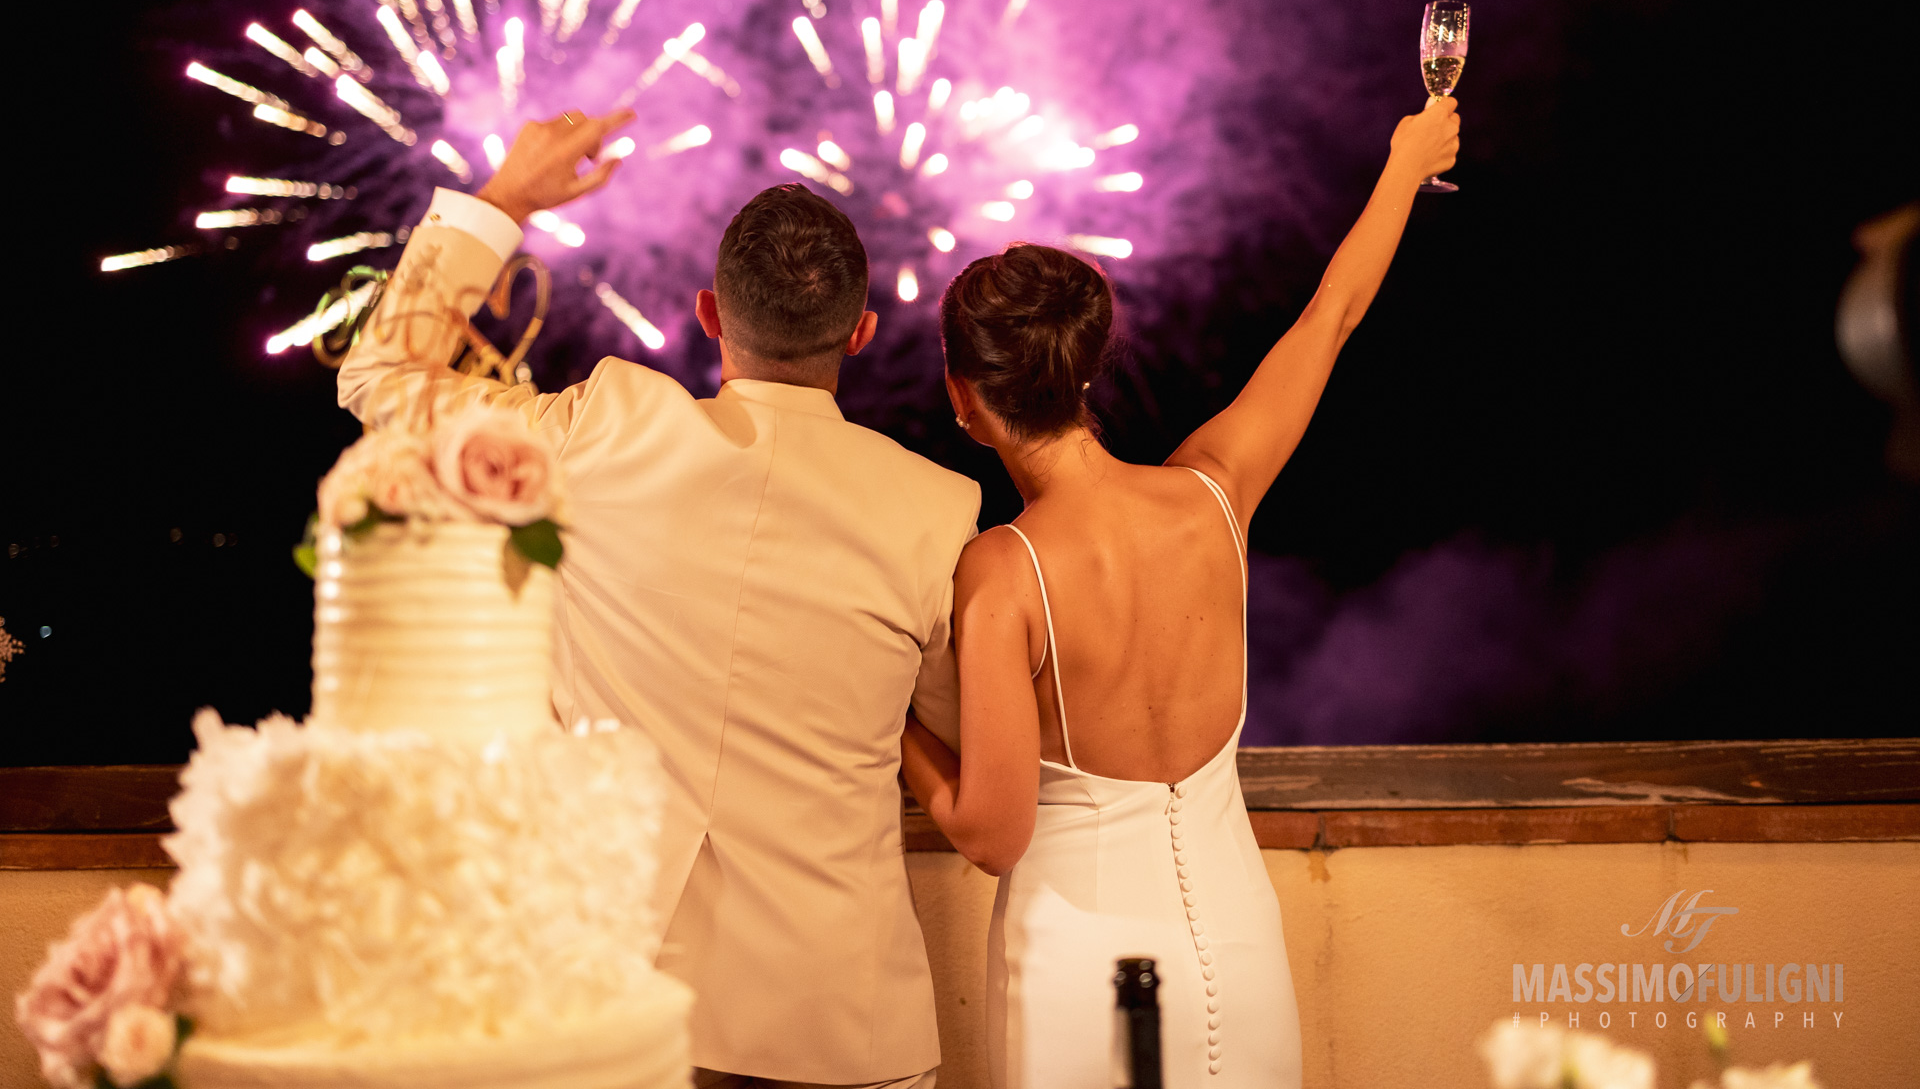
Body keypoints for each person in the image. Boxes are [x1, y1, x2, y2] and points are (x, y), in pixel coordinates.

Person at [339, 108, 979, 1089]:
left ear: (710, 314)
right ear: (860, 332)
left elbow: (381, 375)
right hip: (843, 1020)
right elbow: (954, 733)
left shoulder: (604, 428)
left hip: (621, 1009)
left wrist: (505, 199)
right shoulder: (937, 509)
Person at [900, 97, 1462, 1087]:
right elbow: (1329, 318)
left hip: (1078, 963)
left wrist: (888, 718)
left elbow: (990, 832)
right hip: (1239, 944)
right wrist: (1405, 163)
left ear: (966, 401)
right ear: (1085, 373)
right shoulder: (1211, 495)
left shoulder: (1002, 566)